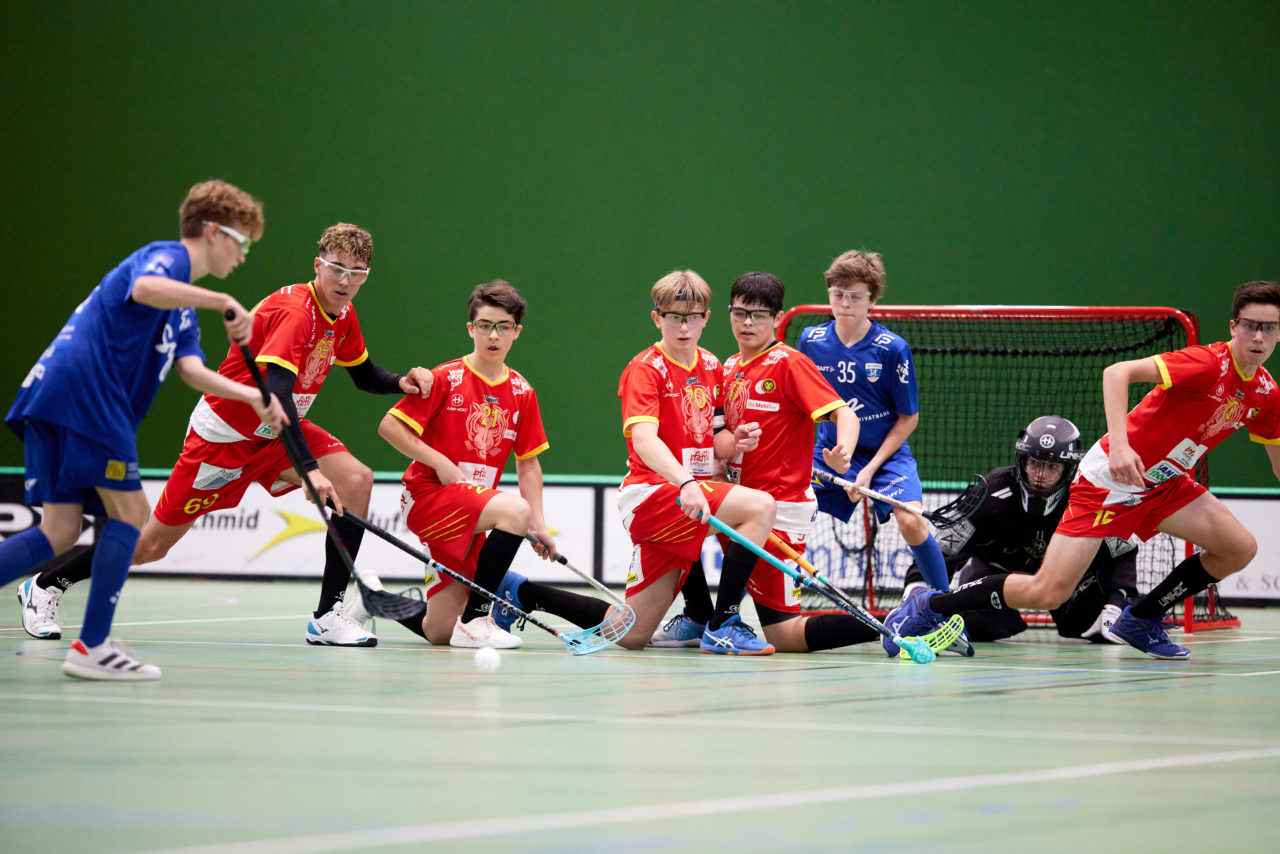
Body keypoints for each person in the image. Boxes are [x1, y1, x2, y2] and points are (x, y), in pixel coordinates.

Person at [17, 223, 432, 649]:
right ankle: (47, 584)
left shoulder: (341, 315)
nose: (345, 281)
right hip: (224, 441)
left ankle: (328, 616)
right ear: (317, 266)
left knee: (356, 479)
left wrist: (401, 382)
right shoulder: (295, 312)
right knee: (150, 546)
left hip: (275, 434)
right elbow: (278, 393)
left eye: (357, 272)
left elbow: (362, 373)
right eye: (336, 269)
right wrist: (309, 470)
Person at [887, 281, 1280, 659]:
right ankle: (931, 603)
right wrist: (1120, 446)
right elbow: (1116, 373)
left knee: (1238, 548)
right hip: (1110, 478)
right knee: (1048, 592)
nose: (1258, 337)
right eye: (1250, 326)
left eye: (1269, 328)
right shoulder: (1206, 364)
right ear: (1234, 326)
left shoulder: (1265, 393)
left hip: (1164, 483)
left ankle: (1142, 619)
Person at [3, 180, 286, 680]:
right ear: (213, 231)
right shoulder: (166, 259)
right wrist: (221, 300)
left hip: (58, 394)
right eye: (241, 242)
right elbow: (143, 289)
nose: (242, 256)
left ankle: (92, 646)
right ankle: (93, 648)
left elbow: (193, 371)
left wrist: (256, 397)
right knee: (132, 513)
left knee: (60, 528)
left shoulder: (182, 311)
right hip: (88, 393)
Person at [378, 280, 621, 648]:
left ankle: (372, 595)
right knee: (512, 510)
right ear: (470, 329)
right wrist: (439, 461)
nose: (494, 335)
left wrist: (538, 523)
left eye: (503, 327)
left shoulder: (522, 392)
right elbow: (389, 427)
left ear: (516, 332)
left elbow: (529, 466)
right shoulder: (445, 377)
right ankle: (478, 620)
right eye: (485, 325)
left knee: (440, 630)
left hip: (473, 508)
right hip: (428, 495)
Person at [614, 269, 779, 655]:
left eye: (692, 317)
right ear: (657, 318)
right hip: (652, 495)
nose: (683, 326)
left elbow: (713, 439)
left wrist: (735, 441)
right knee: (760, 505)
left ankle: (521, 591)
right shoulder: (645, 369)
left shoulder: (710, 366)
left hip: (691, 497)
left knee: (629, 634)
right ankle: (724, 623)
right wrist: (687, 483)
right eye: (674, 317)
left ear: (706, 318)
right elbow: (644, 439)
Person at [798, 250, 951, 611]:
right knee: (781, 513)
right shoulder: (811, 340)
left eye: (855, 295)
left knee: (912, 520)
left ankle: (944, 606)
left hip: (885, 457)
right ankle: (731, 612)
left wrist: (867, 470)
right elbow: (804, 406)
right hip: (829, 454)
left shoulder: (892, 349)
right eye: (838, 293)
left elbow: (908, 418)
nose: (845, 303)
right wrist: (833, 458)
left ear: (873, 300)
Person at [901, 416, 1137, 646]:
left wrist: (1116, 602)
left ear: (1068, 469)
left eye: (1052, 466)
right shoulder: (992, 491)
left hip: (1064, 582)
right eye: (1034, 463)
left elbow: (1123, 551)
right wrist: (915, 591)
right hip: (994, 577)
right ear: (1022, 460)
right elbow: (943, 549)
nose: (1040, 475)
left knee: (1091, 624)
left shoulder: (1086, 496)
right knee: (972, 619)